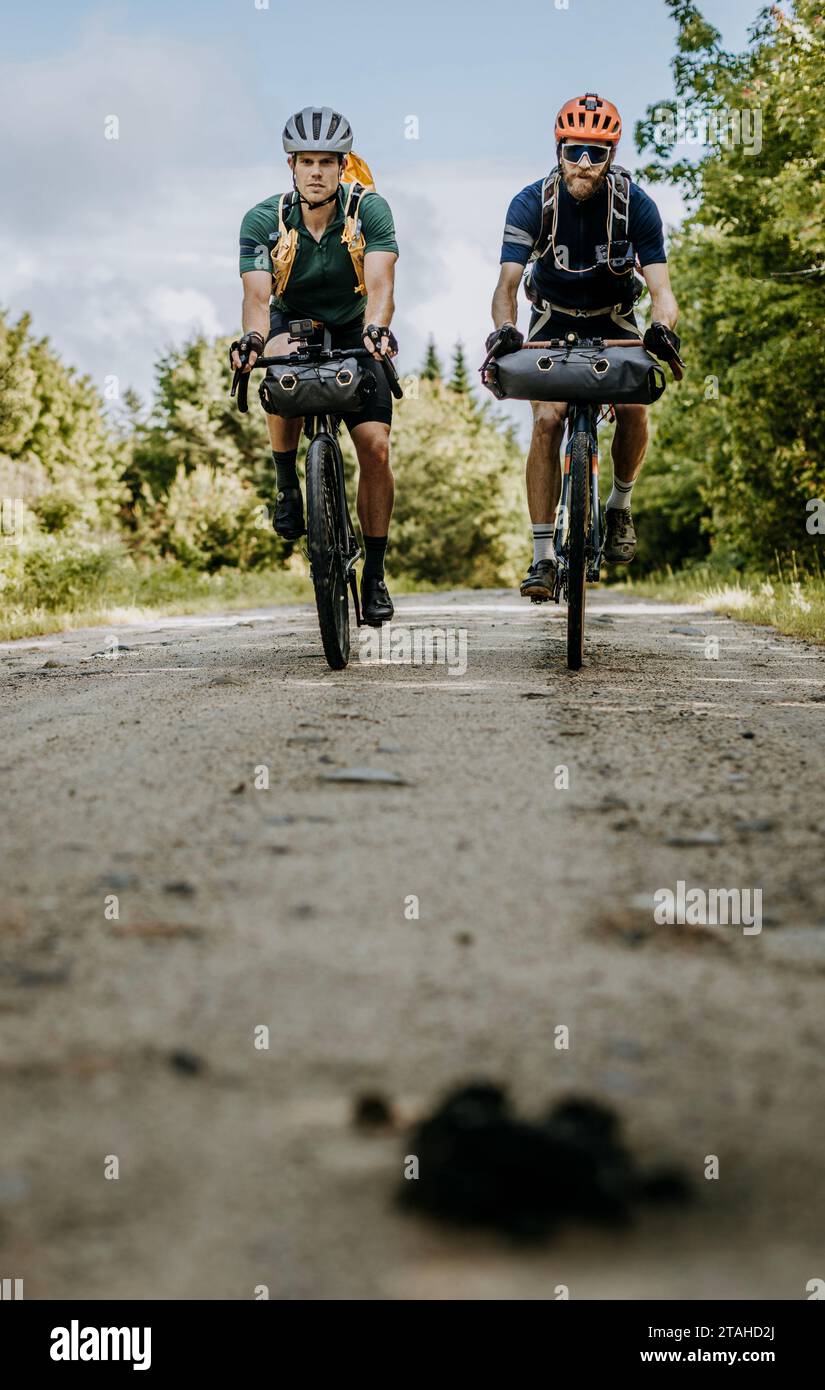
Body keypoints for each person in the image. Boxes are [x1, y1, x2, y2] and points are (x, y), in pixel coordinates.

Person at [487, 92, 683, 599]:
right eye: (575, 150)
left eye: (597, 153)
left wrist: (662, 328)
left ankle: (618, 505)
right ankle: (542, 556)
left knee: (636, 408)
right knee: (547, 421)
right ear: (559, 149)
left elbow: (662, 291)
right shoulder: (532, 203)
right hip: (550, 320)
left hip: (616, 320)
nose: (584, 163)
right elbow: (507, 285)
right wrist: (505, 332)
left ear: (611, 156)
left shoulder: (635, 205)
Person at [232, 107, 399, 625]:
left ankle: (374, 571)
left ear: (343, 164)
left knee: (375, 447)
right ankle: (286, 484)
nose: (317, 171)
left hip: (355, 325)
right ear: (292, 165)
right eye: (307, 161)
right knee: (278, 365)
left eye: (328, 161)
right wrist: (254, 338)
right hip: (293, 320)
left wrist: (376, 327)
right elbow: (257, 297)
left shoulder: (369, 211)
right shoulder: (264, 219)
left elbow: (380, 288)